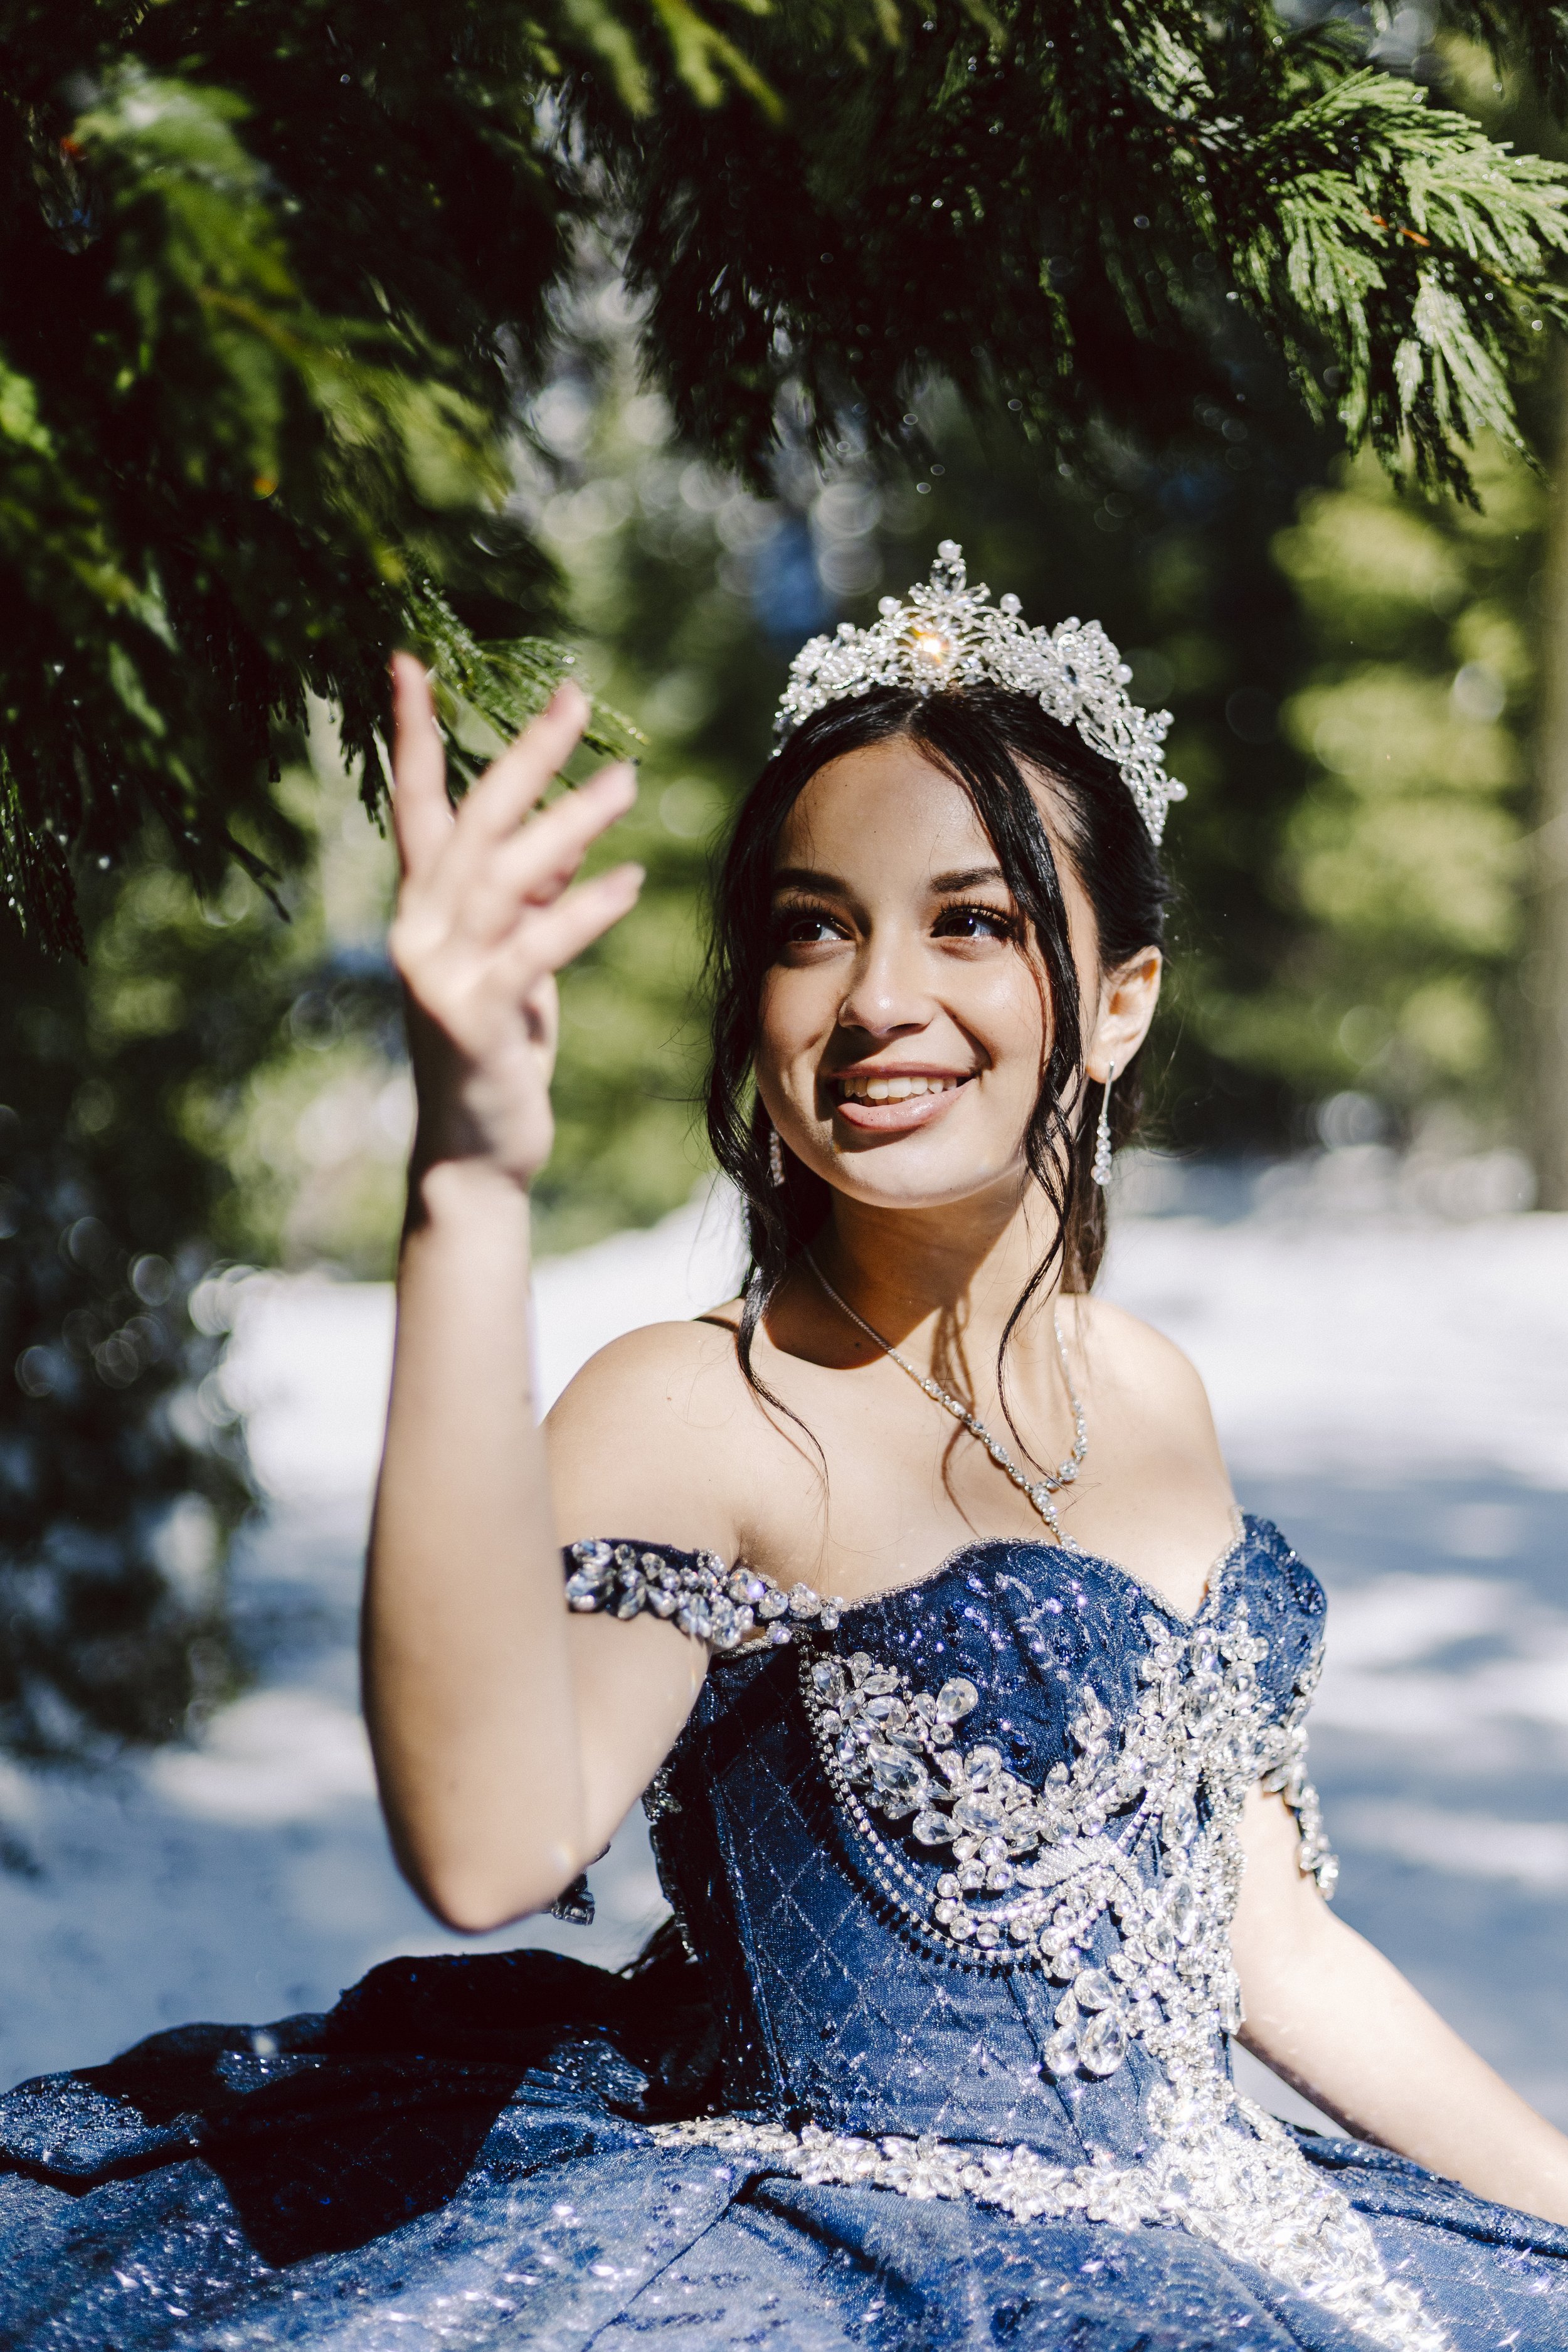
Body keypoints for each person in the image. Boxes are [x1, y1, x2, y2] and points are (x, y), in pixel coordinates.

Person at [1, 546, 1565, 2352]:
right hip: (816, 2275)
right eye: (811, 926)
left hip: (1236, 2242)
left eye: (968, 921)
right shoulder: (698, 1406)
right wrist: (468, 1185)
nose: (876, 995)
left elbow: (1265, 1950)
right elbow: (487, 1847)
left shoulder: (1147, 1396)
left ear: (1117, 1001)